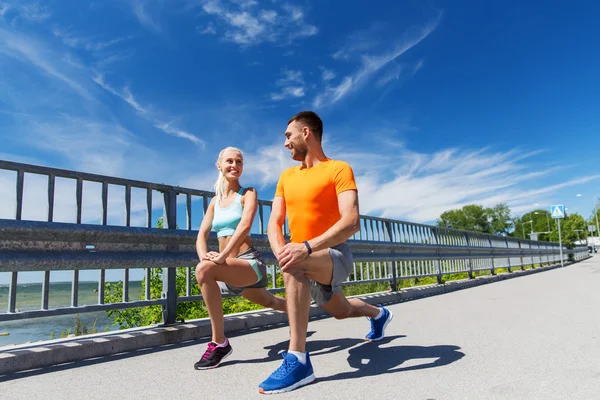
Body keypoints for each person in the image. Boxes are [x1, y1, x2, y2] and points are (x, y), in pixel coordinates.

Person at [258, 111, 393, 394]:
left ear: (306, 133)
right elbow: (275, 222)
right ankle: (379, 314)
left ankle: (298, 360)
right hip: (303, 255)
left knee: (296, 264)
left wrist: (304, 248)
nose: (285, 144)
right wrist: (282, 250)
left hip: (334, 255)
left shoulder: (338, 169)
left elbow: (351, 221)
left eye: (288, 136)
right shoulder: (286, 176)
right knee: (341, 311)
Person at [194, 146, 287, 370]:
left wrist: (219, 259)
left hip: (248, 262)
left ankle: (219, 343)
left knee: (203, 270)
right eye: (229, 161)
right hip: (227, 268)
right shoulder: (215, 202)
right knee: (272, 302)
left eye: (239, 162)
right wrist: (205, 255)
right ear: (219, 165)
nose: (234, 165)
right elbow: (201, 235)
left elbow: (245, 226)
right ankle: (303, 309)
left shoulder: (248, 193)